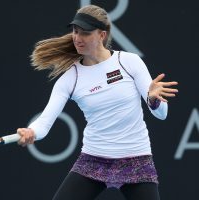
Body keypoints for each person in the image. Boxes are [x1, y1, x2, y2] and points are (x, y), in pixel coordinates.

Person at [16, 4, 178, 200]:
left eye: (84, 33)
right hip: (94, 160)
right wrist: (32, 131)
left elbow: (162, 114)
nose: (77, 37)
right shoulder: (70, 78)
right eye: (75, 31)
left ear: (101, 35)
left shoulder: (129, 62)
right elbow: (44, 121)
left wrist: (153, 100)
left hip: (136, 159)